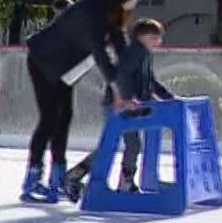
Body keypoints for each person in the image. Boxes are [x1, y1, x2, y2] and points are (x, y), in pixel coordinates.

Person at [21, 0, 143, 203]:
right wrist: (118, 93)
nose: (135, 3)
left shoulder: (110, 9)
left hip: (66, 68)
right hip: (43, 60)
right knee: (49, 117)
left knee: (64, 117)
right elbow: (101, 56)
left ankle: (57, 176)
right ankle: (32, 178)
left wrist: (127, 86)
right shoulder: (92, 13)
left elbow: (119, 47)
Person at [63, 18, 176, 200]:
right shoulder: (134, 53)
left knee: (123, 144)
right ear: (143, 36)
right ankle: (120, 181)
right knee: (128, 144)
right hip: (119, 106)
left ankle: (80, 175)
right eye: (155, 37)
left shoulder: (144, 54)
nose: (159, 42)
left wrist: (168, 97)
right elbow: (121, 75)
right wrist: (127, 97)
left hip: (129, 106)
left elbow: (150, 81)